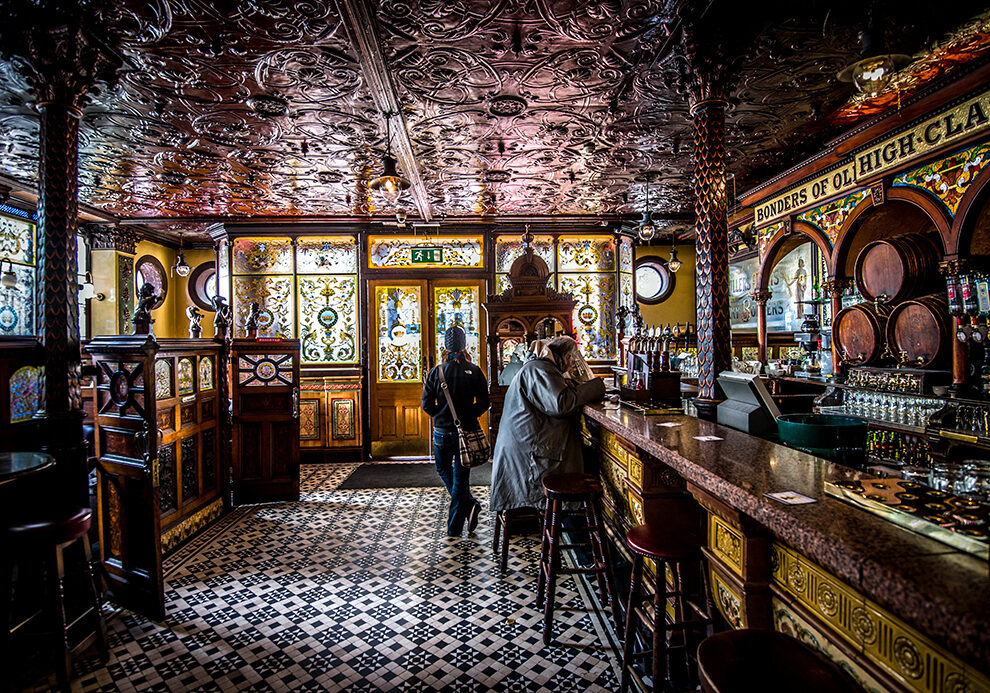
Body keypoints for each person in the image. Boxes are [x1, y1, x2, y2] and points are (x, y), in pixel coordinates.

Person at [490, 335, 606, 513]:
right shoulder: (540, 368)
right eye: (572, 362)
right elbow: (561, 404)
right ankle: (572, 529)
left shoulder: (538, 366)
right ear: (567, 357)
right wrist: (597, 386)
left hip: (527, 449)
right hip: (529, 456)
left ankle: (570, 527)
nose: (571, 367)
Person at [421, 326, 490, 537]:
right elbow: (485, 402)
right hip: (467, 431)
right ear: (464, 347)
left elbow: (426, 404)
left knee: (442, 469)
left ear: (445, 347)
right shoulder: (475, 371)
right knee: (461, 478)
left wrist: (441, 416)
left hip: (442, 432)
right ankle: (465, 509)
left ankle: (457, 524)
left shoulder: (436, 372)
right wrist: (470, 416)